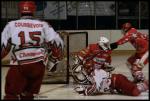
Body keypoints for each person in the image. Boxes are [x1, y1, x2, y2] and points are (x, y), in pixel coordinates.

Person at [1, 1, 63, 100]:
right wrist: (54, 60)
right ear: (34, 10)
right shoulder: (43, 24)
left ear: (20, 10)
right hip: (38, 65)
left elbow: (3, 47)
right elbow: (58, 44)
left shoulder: (11, 25)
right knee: (29, 95)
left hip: (19, 64)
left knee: (11, 94)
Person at [73, 37, 148, 96]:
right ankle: (142, 83)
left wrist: (84, 91)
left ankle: (143, 83)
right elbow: (80, 55)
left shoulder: (97, 72)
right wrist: (77, 64)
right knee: (134, 90)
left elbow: (96, 87)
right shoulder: (92, 47)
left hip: (117, 80)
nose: (107, 46)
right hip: (116, 82)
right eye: (105, 44)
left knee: (135, 91)